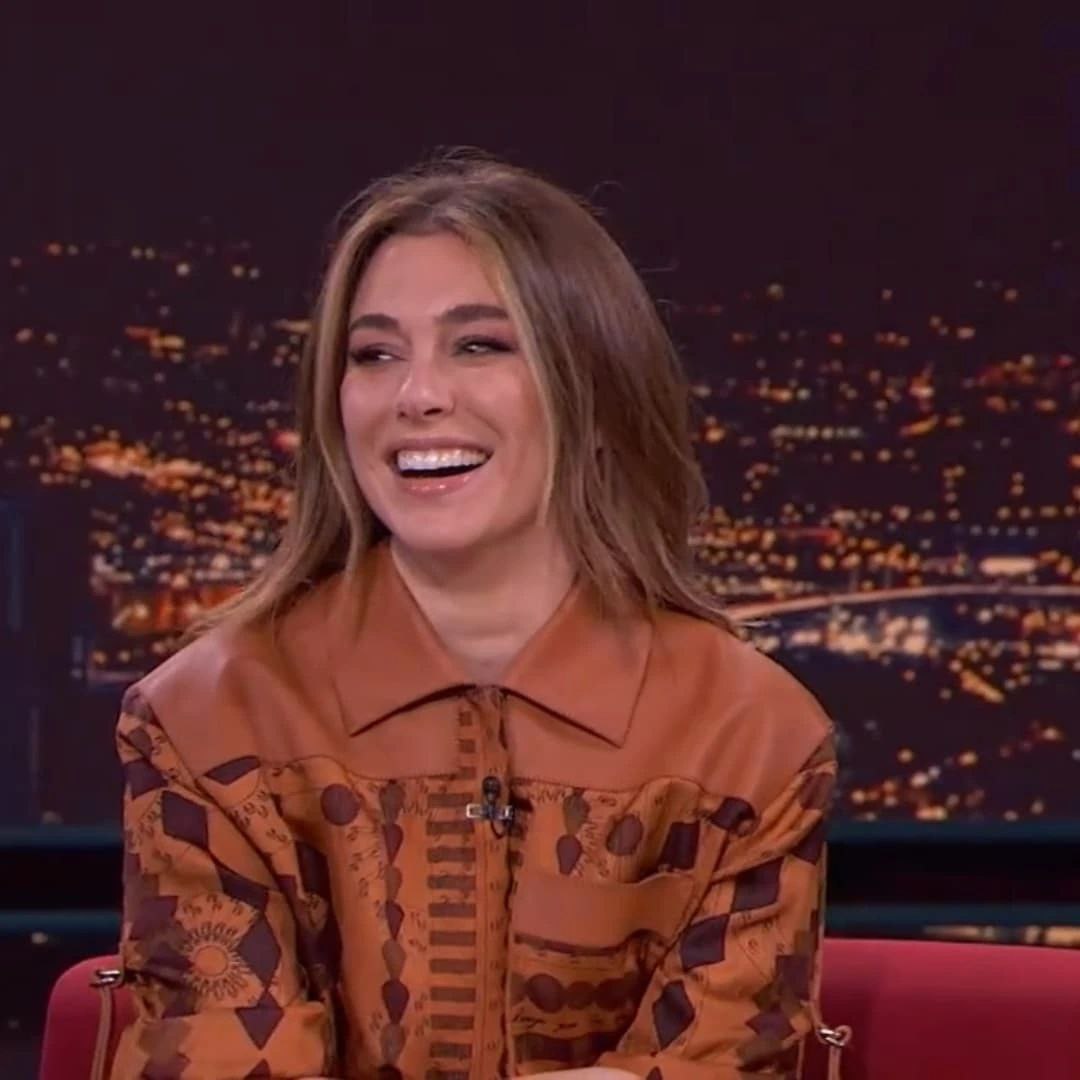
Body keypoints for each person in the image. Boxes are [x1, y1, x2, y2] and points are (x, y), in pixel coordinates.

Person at [111, 153, 839, 1080]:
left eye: (480, 345)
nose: (417, 395)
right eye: (374, 354)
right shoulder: (208, 719)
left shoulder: (751, 734)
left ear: (595, 387)